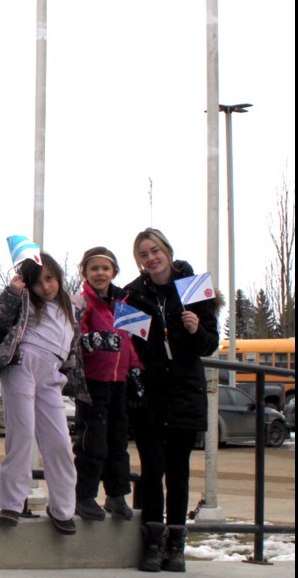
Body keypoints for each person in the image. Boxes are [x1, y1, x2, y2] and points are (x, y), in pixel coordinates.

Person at [124, 229, 220, 572]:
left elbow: (210, 344)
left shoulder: (193, 286)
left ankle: (176, 544)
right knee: (152, 471)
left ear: (167, 250)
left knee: (178, 473)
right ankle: (153, 542)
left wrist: (196, 330)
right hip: (150, 395)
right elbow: (132, 347)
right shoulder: (132, 295)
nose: (151, 258)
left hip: (184, 394)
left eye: (155, 251)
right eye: (144, 255)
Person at [0, 253, 89, 536]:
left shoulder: (73, 307)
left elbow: (75, 348)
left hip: (53, 374)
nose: (46, 287)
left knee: (58, 441)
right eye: (38, 282)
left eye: (50, 278)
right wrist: (14, 291)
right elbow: (1, 321)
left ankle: (62, 508)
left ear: (58, 276)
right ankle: (11, 502)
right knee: (21, 435)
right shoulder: (25, 301)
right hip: (23, 363)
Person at [73, 246, 142, 522]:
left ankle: (116, 495)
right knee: (93, 440)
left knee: (118, 440)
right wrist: (93, 340)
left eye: (105, 268)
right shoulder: (82, 303)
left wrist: (136, 369)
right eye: (94, 269)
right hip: (93, 381)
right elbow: (77, 334)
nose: (100, 273)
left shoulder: (124, 304)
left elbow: (130, 342)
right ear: (85, 273)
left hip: (119, 382)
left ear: (114, 272)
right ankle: (85, 495)